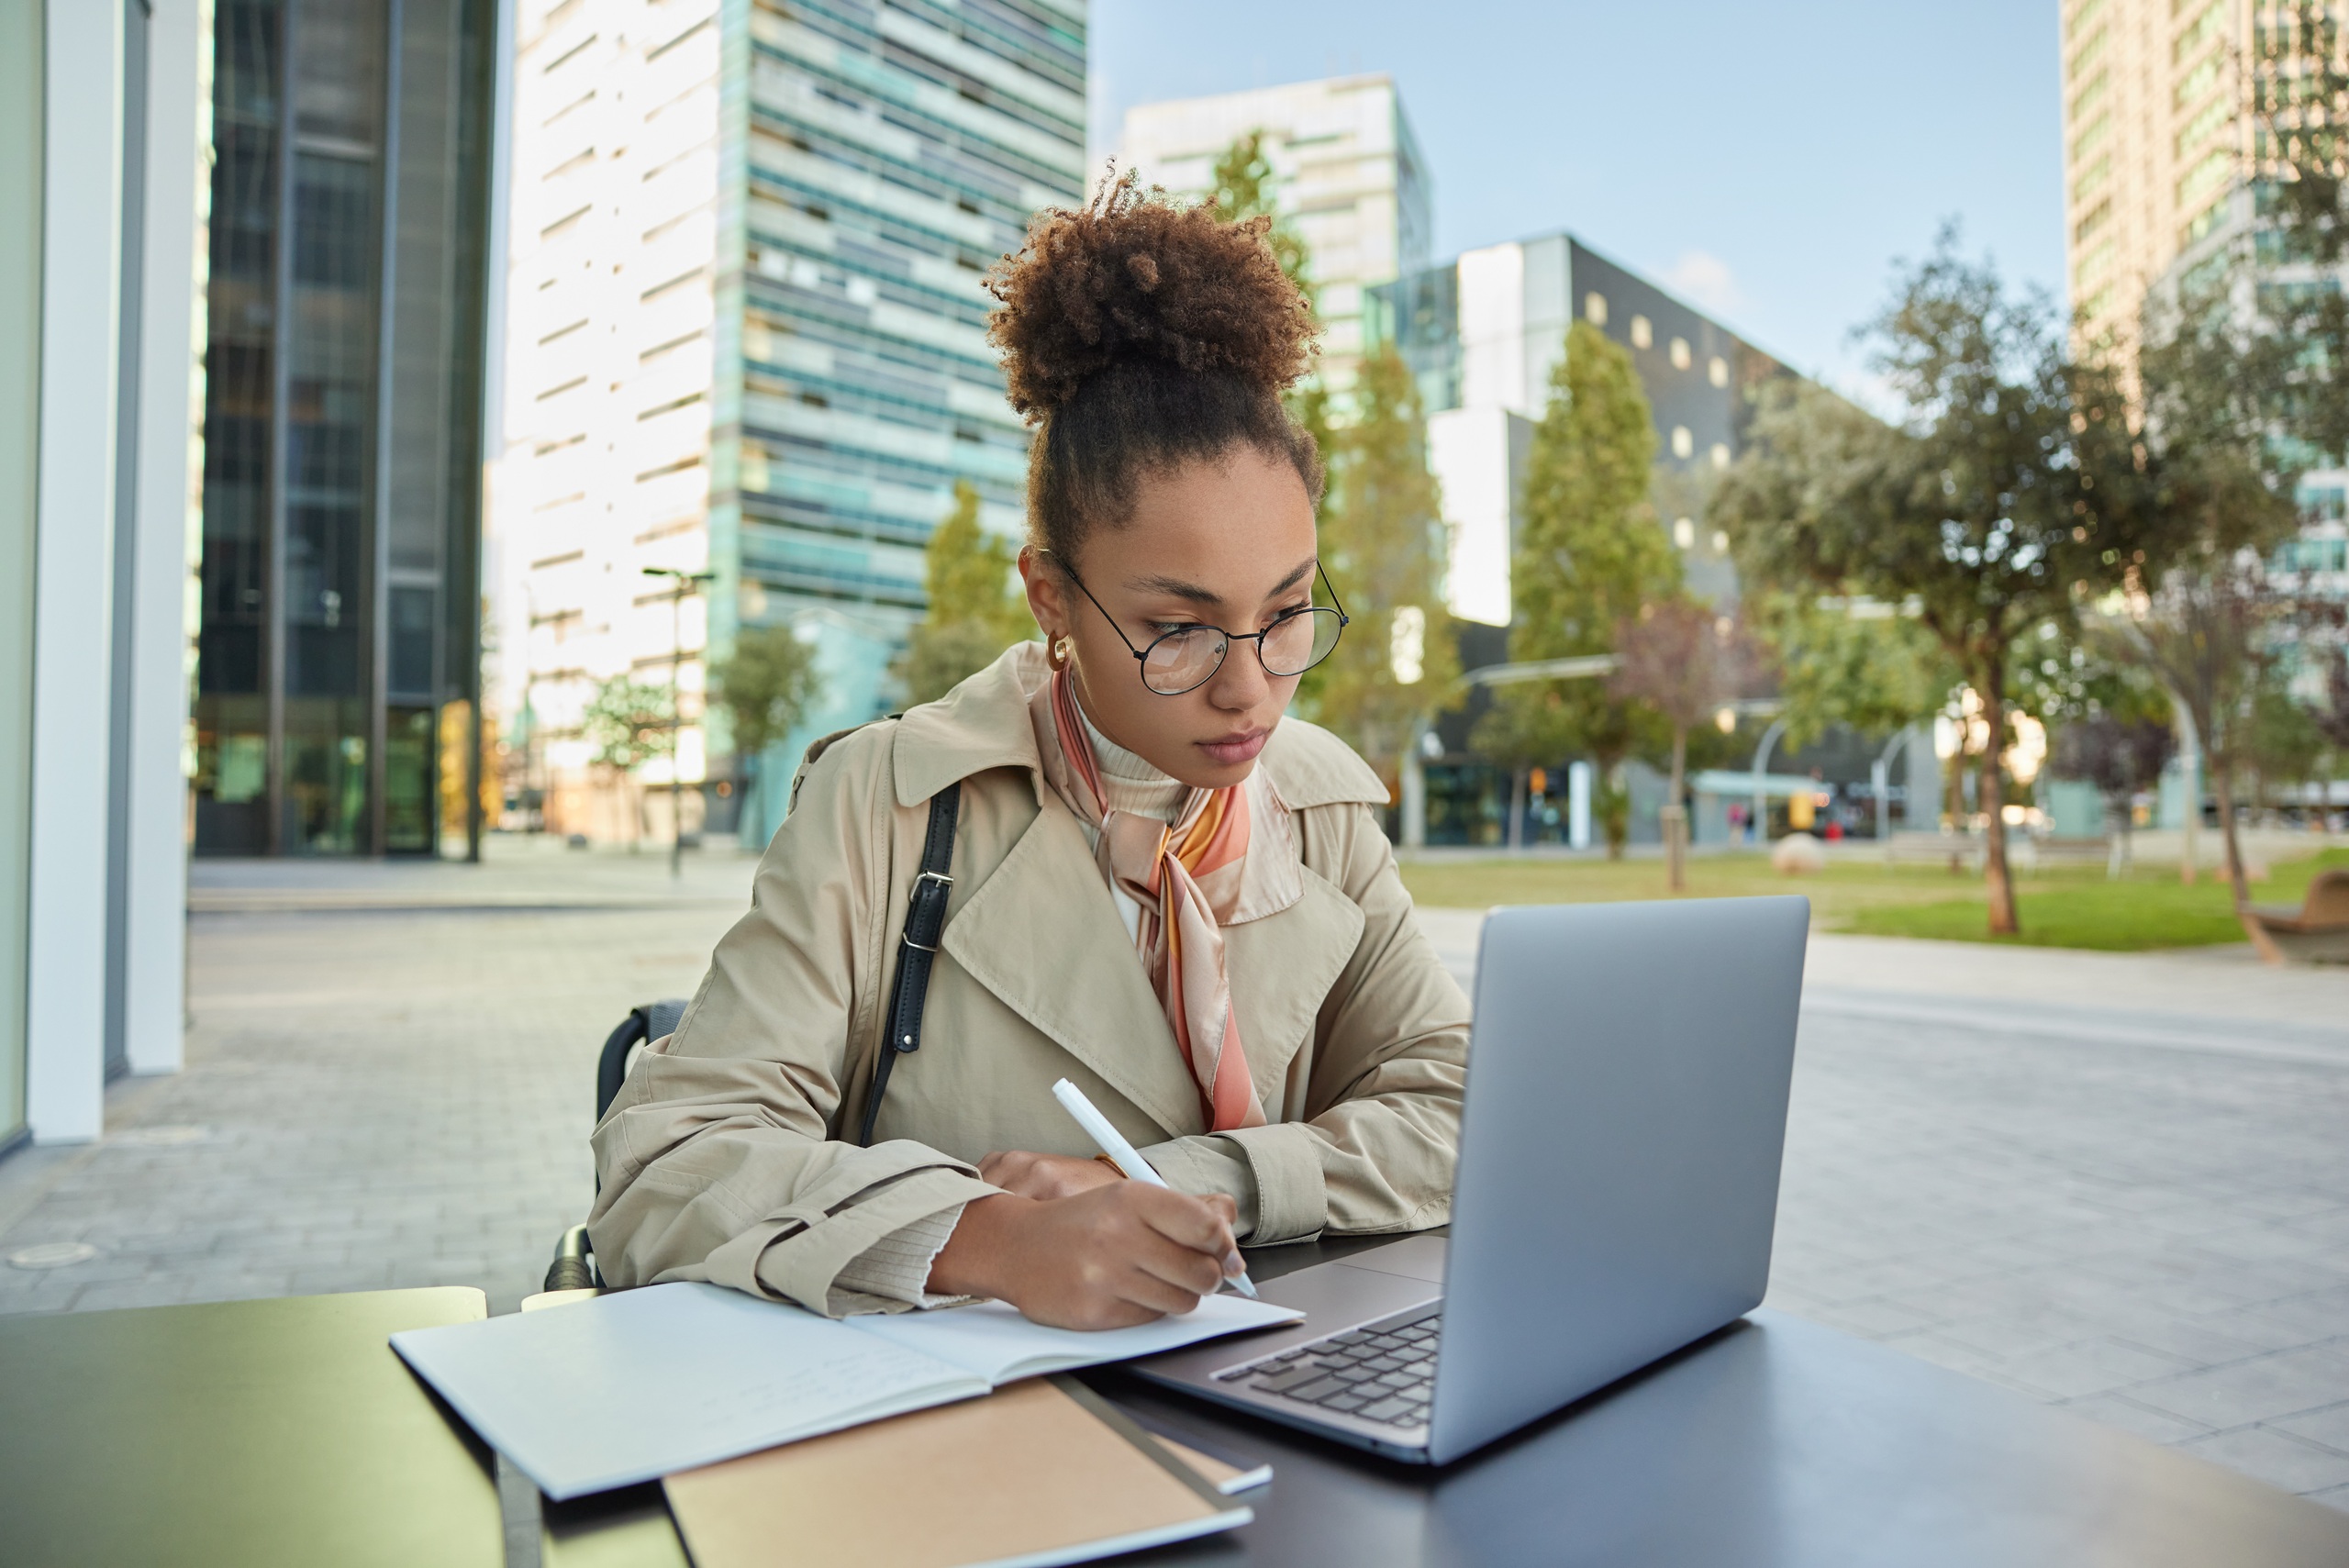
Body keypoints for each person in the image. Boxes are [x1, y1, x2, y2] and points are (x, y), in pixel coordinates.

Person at [586, 177, 1470, 1332]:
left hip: (1265, 1394)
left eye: (1288, 609)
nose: (1250, 683)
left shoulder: (1321, 806)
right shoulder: (888, 800)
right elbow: (666, 1159)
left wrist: (1202, 1181)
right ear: (1052, 596)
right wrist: (984, 1237)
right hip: (967, 1453)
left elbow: (1463, 1107)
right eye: (1176, 627)